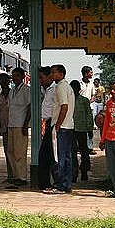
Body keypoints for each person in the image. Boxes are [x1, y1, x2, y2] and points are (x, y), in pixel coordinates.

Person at [43, 64, 74, 194]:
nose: (51, 75)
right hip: (68, 126)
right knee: (66, 157)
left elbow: (64, 106)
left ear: (61, 74)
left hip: (61, 127)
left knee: (58, 157)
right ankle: (66, 183)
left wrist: (57, 124)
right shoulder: (68, 87)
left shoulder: (60, 87)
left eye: (53, 72)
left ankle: (60, 184)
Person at [6, 67, 30, 186]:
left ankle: (22, 177)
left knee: (19, 152)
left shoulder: (26, 90)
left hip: (20, 124)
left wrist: (26, 124)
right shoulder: (12, 91)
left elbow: (29, 107)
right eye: (13, 76)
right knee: (11, 151)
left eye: (17, 76)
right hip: (11, 124)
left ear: (22, 77)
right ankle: (15, 175)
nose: (14, 78)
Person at [37, 66, 56, 189]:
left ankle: (49, 182)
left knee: (49, 154)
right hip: (46, 123)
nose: (40, 81)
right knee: (44, 154)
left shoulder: (55, 90)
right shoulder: (46, 90)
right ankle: (44, 182)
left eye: (41, 78)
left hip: (52, 123)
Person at [70, 80, 92, 182]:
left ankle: (84, 171)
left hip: (82, 129)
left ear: (79, 89)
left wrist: (90, 128)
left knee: (84, 151)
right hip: (71, 129)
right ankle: (74, 173)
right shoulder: (69, 100)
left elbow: (89, 115)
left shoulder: (84, 100)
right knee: (72, 152)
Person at [0, 73, 13, 183]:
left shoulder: (14, 94)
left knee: (15, 152)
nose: (4, 82)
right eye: (1, 80)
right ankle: (10, 175)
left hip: (15, 126)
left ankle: (16, 174)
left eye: (6, 80)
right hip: (5, 128)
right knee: (7, 152)